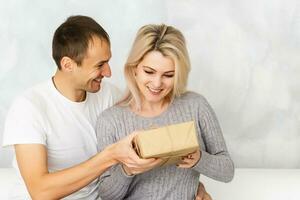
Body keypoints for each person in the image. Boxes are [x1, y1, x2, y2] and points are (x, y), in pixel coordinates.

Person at [2, 16, 211, 200]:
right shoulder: (29, 107)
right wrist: (110, 156)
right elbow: (40, 192)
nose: (109, 72)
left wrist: (190, 185)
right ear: (68, 65)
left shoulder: (109, 95)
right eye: (100, 65)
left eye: (108, 62)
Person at [96, 24, 234, 200]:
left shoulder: (196, 106)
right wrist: (128, 169)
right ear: (134, 69)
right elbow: (107, 195)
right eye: (149, 72)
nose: (157, 83)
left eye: (168, 75)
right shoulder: (110, 120)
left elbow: (227, 171)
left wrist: (199, 159)